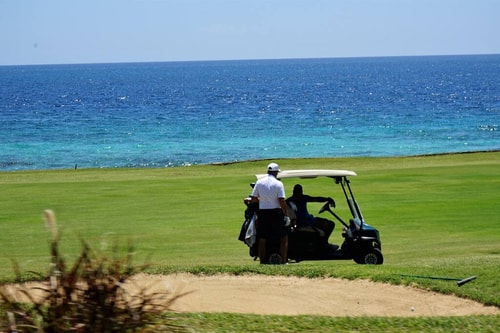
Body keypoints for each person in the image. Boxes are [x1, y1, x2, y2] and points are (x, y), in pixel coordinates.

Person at [251, 162, 290, 264]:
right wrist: (286, 215)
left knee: (262, 238)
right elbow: (281, 200)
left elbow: (254, 198)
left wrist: (263, 200)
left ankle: (262, 262)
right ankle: (284, 261)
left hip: (263, 213)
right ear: (276, 172)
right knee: (283, 237)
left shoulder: (259, 182)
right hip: (275, 213)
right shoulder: (278, 183)